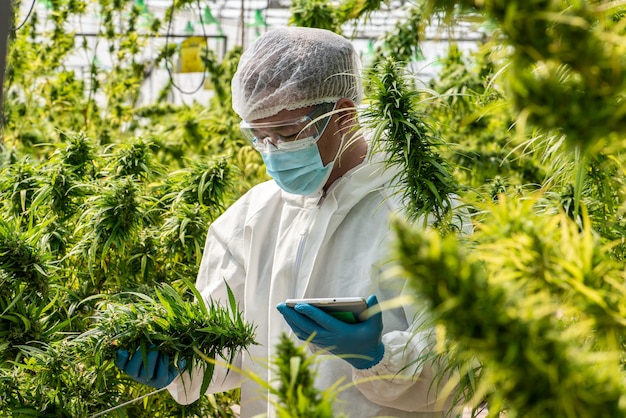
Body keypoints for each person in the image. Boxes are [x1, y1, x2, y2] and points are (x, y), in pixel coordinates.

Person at [115, 26, 472, 417]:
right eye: (260, 136)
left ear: (342, 116)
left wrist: (379, 357)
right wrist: (182, 359)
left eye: (286, 133)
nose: (273, 151)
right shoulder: (252, 218)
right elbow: (224, 348)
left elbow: (465, 361)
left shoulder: (422, 211)